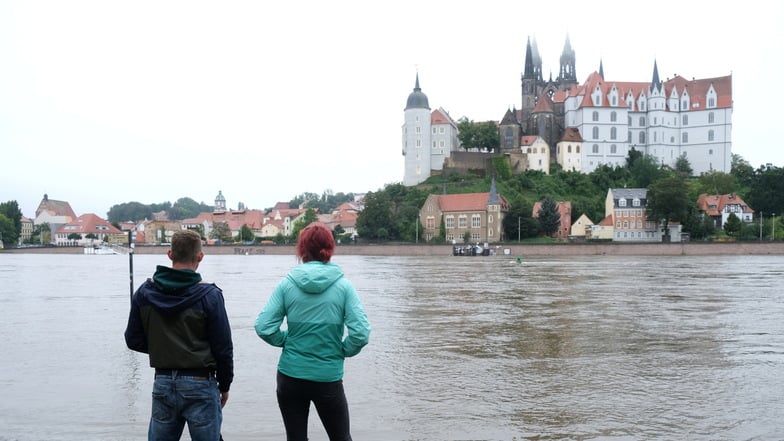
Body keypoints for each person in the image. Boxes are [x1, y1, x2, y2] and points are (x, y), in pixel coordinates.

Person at [255, 222, 370, 441]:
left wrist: (287, 339)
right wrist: (341, 349)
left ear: (302, 250)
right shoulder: (344, 287)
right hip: (327, 376)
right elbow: (361, 333)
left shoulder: (287, 285)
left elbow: (263, 327)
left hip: (290, 375)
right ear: (330, 248)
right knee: (341, 438)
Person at [125, 229, 234, 441]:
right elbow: (223, 348)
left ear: (170, 254)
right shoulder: (210, 296)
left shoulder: (145, 293)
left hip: (163, 382)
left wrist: (164, 346)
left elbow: (133, 339)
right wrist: (225, 385)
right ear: (200, 257)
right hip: (201, 382)